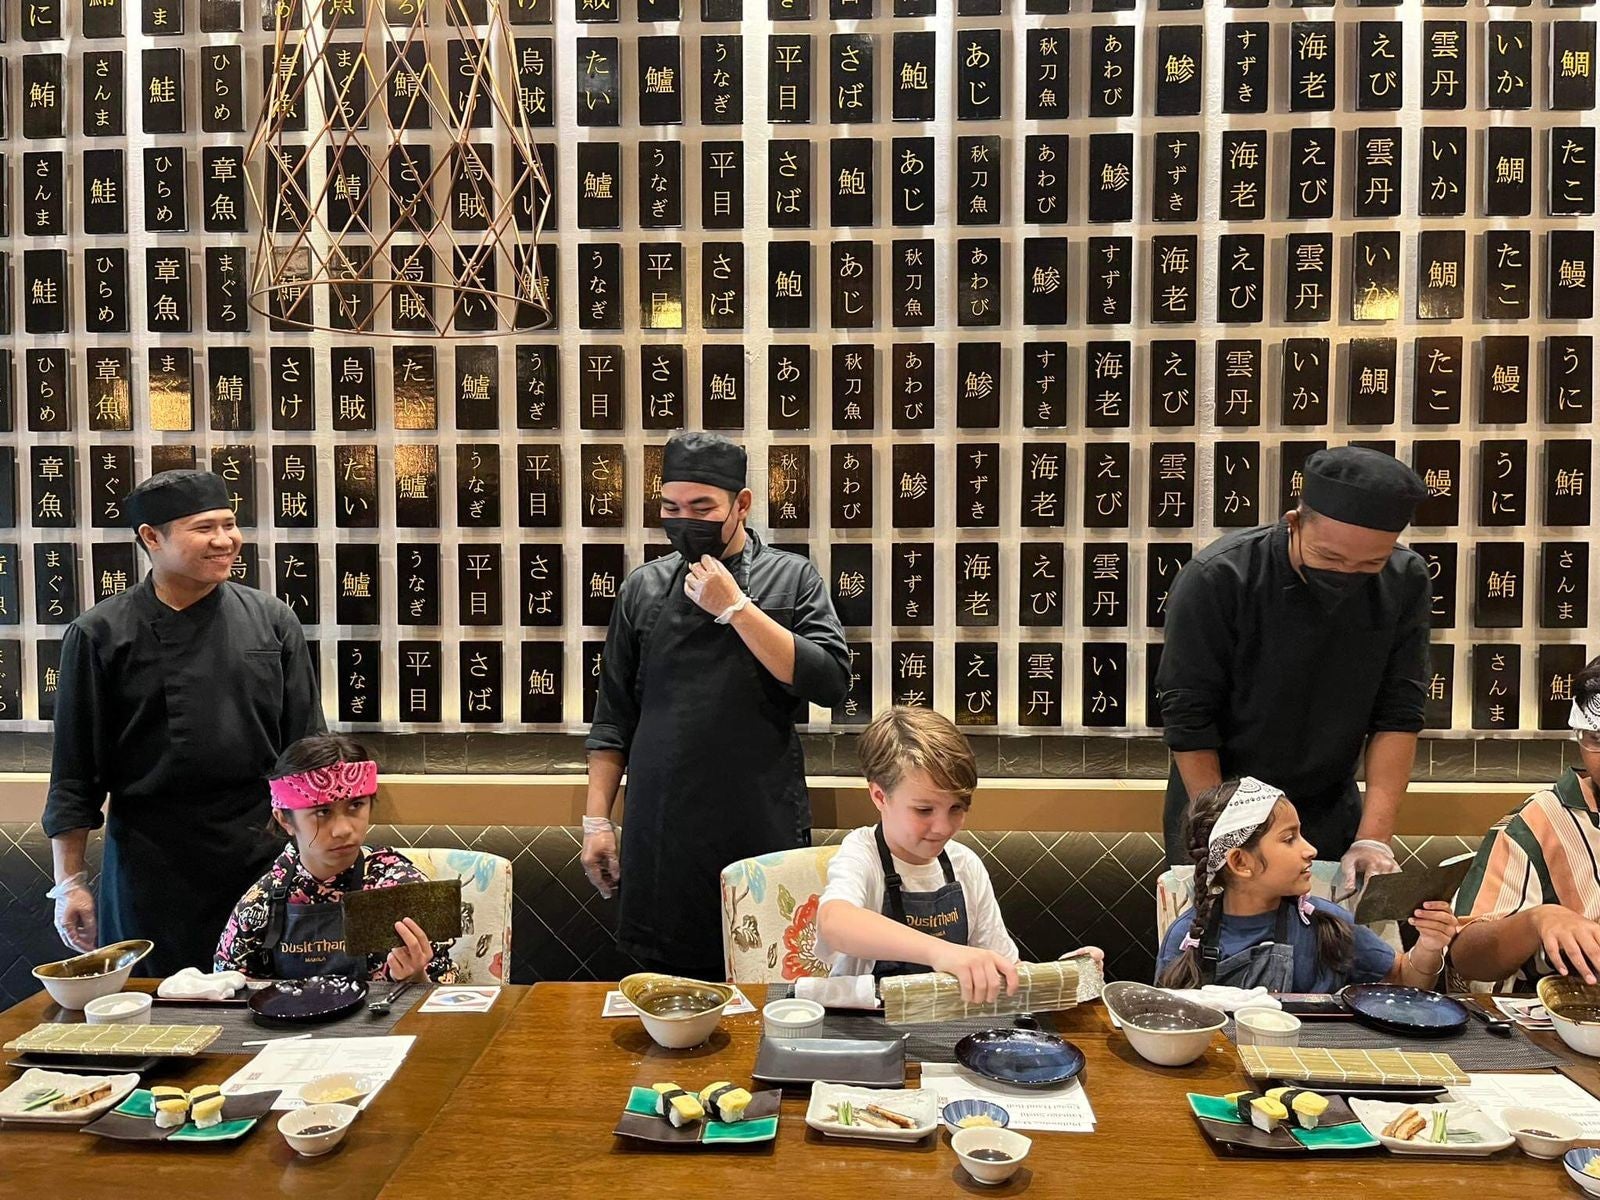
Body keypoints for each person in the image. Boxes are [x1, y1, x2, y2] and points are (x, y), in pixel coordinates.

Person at [582, 432, 852, 980]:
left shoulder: (792, 577)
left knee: (768, 978)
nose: (686, 521)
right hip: (662, 831)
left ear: (742, 504)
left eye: (703, 507)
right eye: (671, 508)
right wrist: (596, 822)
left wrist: (736, 609)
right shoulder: (643, 588)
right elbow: (613, 719)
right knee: (666, 991)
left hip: (759, 822)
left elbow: (830, 683)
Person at [43, 470, 326, 976]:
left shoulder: (272, 620)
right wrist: (70, 883)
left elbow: (306, 750)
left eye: (230, 524)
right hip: (150, 866)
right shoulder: (99, 634)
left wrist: (317, 857)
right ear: (151, 538)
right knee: (161, 1016)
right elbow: (73, 774)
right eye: (204, 528)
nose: (225, 541)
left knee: (270, 1003)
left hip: (260, 852)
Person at [1156, 445, 1432, 897]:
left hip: (1327, 809)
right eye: (1331, 558)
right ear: (1294, 522)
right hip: (1218, 797)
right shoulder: (1220, 577)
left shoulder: (1405, 579)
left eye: (1369, 564)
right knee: (1221, 955)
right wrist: (1227, 837)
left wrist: (1373, 837)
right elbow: (1189, 721)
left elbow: (1399, 713)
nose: (1348, 575)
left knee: (1333, 954)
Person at [815, 706, 1101, 1002]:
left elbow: (1003, 970)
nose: (942, 827)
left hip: (950, 1026)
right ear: (879, 796)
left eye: (957, 808)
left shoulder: (964, 864)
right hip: (866, 1029)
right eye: (924, 810)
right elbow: (835, 922)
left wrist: (1063, 976)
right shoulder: (863, 852)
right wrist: (942, 952)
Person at [1156, 777, 1458, 991]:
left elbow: (1405, 978)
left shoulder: (1327, 923)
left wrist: (1429, 947)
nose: (1310, 849)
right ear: (1240, 863)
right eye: (1289, 839)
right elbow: (1166, 1021)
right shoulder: (1188, 938)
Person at [215, 735, 457, 983]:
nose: (342, 829)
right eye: (323, 811)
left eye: (355, 806)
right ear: (285, 820)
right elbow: (227, 992)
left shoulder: (404, 888)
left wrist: (416, 977)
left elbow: (449, 1003)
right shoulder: (262, 900)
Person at [1452, 654, 1600, 990]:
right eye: (1597, 739)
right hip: (1559, 1018)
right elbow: (1467, 957)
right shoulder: (1537, 822)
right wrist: (1538, 920)